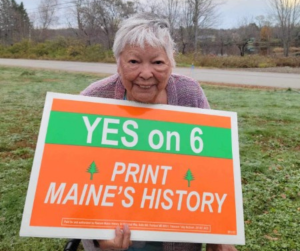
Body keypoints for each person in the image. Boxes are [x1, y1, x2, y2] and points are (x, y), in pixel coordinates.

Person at [80, 13, 238, 251]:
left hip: (178, 237)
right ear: (118, 62)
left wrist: (220, 238)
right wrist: (98, 237)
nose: (146, 74)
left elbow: (213, 171)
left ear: (171, 64)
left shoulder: (189, 95)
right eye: (134, 62)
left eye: (157, 62)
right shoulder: (93, 98)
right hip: (115, 237)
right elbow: (75, 182)